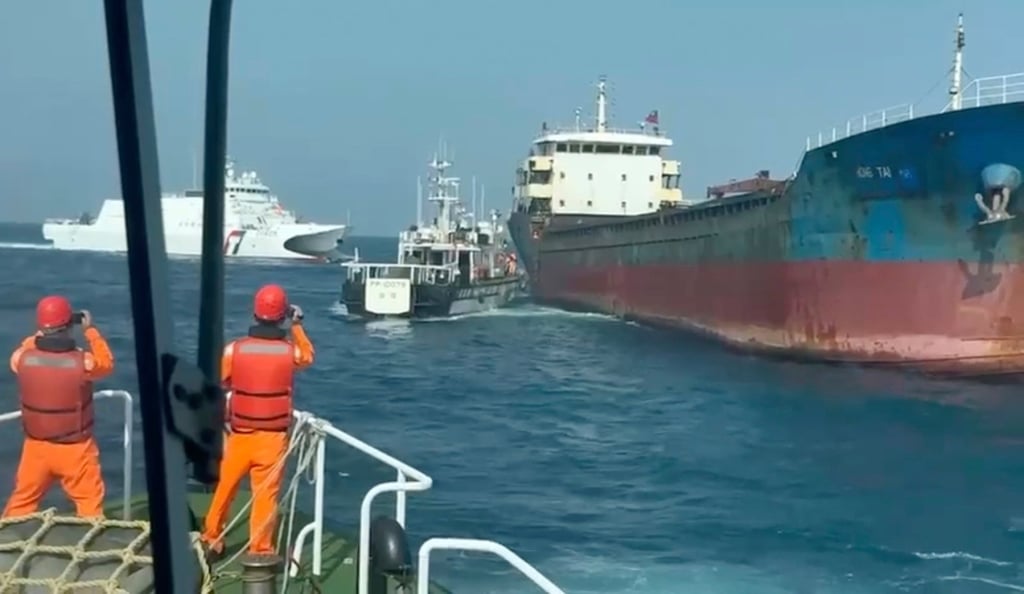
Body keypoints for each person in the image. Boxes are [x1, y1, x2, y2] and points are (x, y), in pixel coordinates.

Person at [201, 284, 315, 557]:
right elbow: (307, 356)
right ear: (283, 315)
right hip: (272, 437)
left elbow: (221, 380)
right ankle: (260, 548)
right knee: (265, 495)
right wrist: (297, 326)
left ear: (255, 312)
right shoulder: (289, 353)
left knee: (225, 487)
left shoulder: (234, 350)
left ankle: (212, 535)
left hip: (240, 433)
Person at [3, 296, 114, 518]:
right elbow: (107, 363)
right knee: (89, 506)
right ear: (68, 326)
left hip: (36, 447)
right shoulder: (84, 362)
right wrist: (90, 330)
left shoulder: (21, 358)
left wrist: (42, 332)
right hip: (76, 449)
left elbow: (26, 347)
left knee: (21, 504)